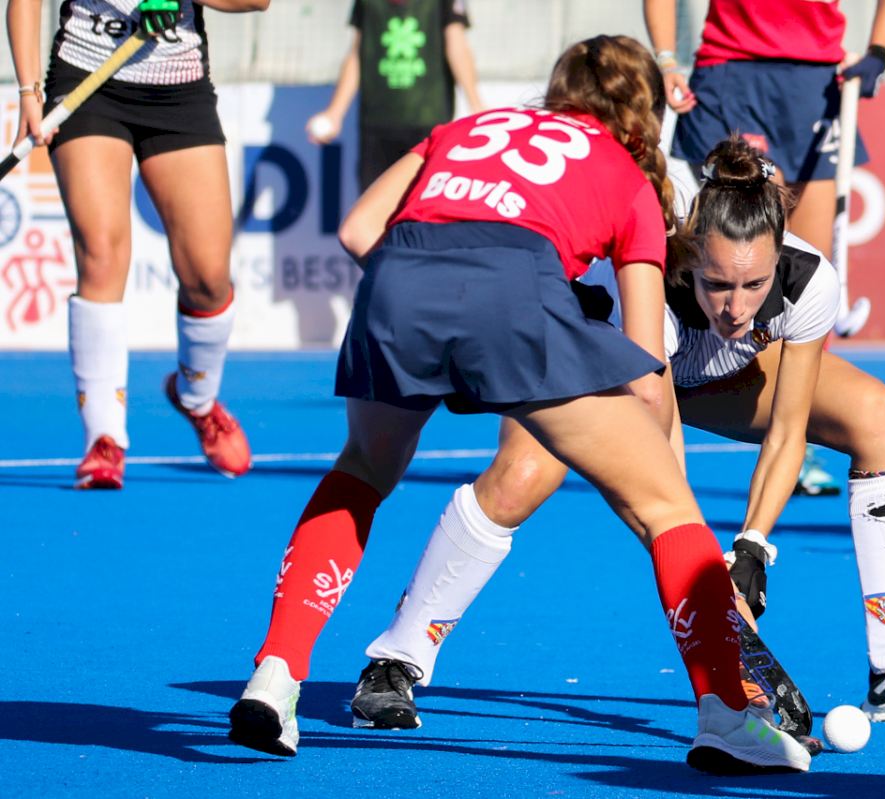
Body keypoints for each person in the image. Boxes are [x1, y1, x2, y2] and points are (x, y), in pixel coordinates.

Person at [227, 35, 813, 774]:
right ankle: (726, 714)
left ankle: (275, 673)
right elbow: (645, 365)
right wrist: (657, 491)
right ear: (644, 115)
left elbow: (357, 231)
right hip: (514, 302)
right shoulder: (628, 176)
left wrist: (441, 311)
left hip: (397, 284)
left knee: (364, 469)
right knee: (669, 508)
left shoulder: (470, 127)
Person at [348, 137, 885, 734]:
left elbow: (788, 431)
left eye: (754, 285)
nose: (736, 307)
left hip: (716, 378)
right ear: (692, 258)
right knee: (522, 475)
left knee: (880, 416)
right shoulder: (655, 281)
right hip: (597, 369)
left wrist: (752, 549)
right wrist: (707, 579)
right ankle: (395, 660)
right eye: (718, 284)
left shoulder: (810, 280)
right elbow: (660, 466)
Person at [645, 0, 885, 497]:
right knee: (733, 251)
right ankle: (676, 393)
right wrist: (665, 59)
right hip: (732, 73)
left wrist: (878, 51)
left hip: (817, 82)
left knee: (804, 270)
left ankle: (792, 437)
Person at [6, 0, 264, 489]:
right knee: (101, 255)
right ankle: (103, 439)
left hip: (178, 89)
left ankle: (197, 398)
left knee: (208, 278)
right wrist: (28, 91)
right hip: (87, 81)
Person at [305, 0, 485, 192]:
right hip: (377, 124)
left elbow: (457, 46)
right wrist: (335, 112)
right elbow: (357, 53)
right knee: (375, 201)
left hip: (429, 125)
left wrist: (475, 105)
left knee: (422, 199)